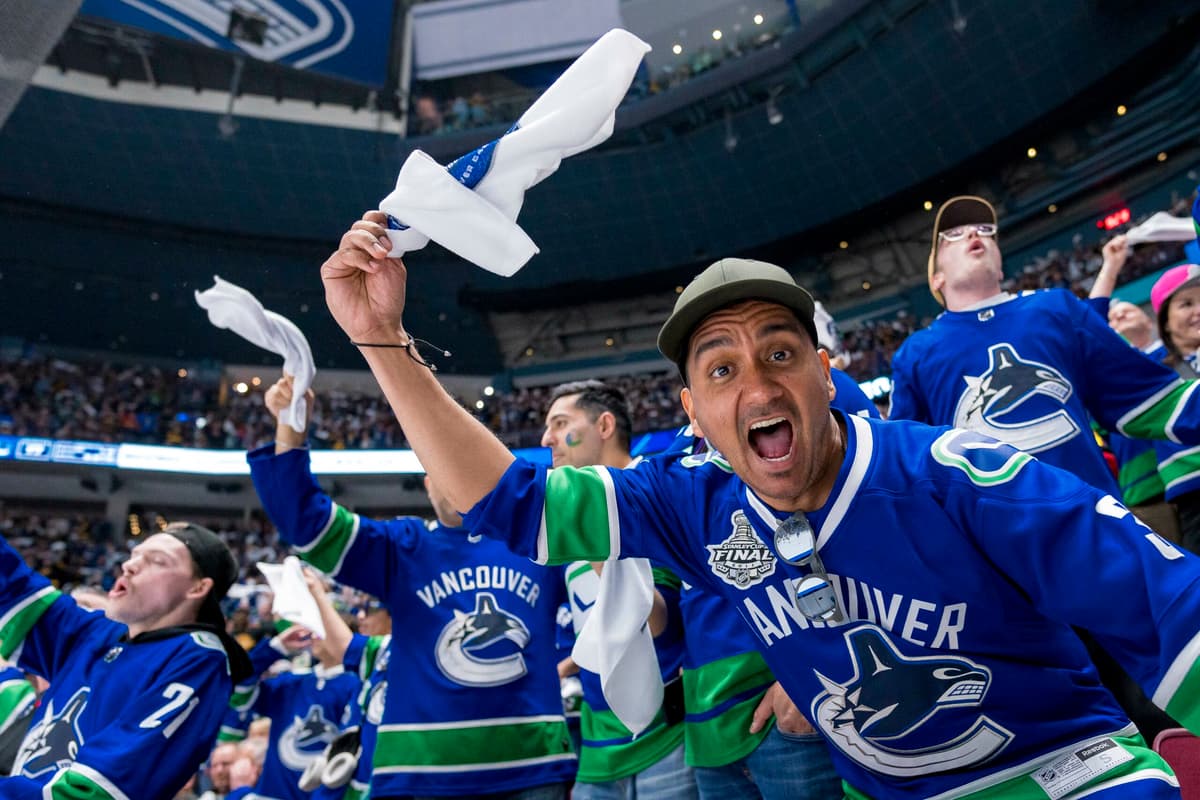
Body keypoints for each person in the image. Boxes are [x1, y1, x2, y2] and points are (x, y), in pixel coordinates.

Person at [320, 212, 1200, 797]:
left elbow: (1172, 607)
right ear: (695, 413)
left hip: (1063, 774)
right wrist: (381, 342)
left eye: (780, 354)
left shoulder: (959, 470)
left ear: (827, 374)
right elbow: (508, 500)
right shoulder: (692, 501)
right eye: (720, 369)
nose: (755, 384)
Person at [247, 376, 576, 799]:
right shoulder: (403, 546)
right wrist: (290, 428)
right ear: (427, 482)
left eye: (467, 462)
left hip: (530, 768)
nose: (457, 475)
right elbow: (307, 527)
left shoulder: (538, 536)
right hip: (418, 773)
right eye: (443, 464)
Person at [889, 195, 1200, 497]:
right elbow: (908, 469)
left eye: (987, 231)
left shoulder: (1056, 308)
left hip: (1093, 521)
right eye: (953, 235)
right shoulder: (915, 354)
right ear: (937, 279)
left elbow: (1145, 399)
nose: (974, 233)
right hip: (992, 541)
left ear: (1000, 267)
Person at [0, 521, 251, 797]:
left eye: (157, 561)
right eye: (134, 556)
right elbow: (14, 588)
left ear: (197, 588)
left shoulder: (198, 658)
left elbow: (97, 791)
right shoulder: (98, 633)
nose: (129, 566)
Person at [540, 380, 697, 799]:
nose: (547, 439)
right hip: (596, 745)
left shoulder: (654, 490)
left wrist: (594, 529)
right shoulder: (565, 522)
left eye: (560, 423)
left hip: (667, 737)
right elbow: (590, 622)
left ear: (605, 425)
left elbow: (663, 623)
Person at [223, 620, 360, 800]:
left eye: (323, 630)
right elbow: (239, 695)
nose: (314, 636)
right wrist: (274, 649)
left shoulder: (355, 685)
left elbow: (347, 751)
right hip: (271, 794)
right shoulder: (292, 682)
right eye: (314, 630)